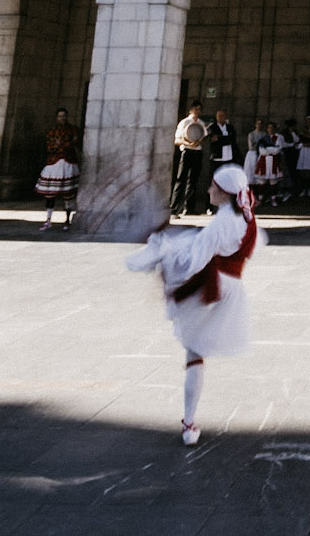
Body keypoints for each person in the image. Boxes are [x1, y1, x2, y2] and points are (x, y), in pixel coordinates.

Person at [126, 162, 262, 447]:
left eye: (214, 186)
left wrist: (167, 255)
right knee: (195, 350)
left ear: (224, 193)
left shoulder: (221, 224)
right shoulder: (246, 215)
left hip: (213, 287)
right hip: (231, 288)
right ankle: (189, 423)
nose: (209, 189)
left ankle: (189, 423)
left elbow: (192, 264)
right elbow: (251, 244)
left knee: (193, 351)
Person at [171, 104, 208, 215]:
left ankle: (189, 208)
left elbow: (204, 137)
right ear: (191, 110)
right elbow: (177, 140)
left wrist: (200, 142)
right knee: (181, 179)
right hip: (187, 151)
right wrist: (188, 143)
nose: (197, 111)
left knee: (193, 181)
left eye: (199, 109)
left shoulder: (201, 123)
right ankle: (174, 208)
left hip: (198, 152)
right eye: (195, 109)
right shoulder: (184, 122)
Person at [37, 154, 79, 230]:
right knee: (50, 194)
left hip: (67, 163)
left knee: (67, 195)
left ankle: (67, 220)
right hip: (54, 164)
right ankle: (48, 219)